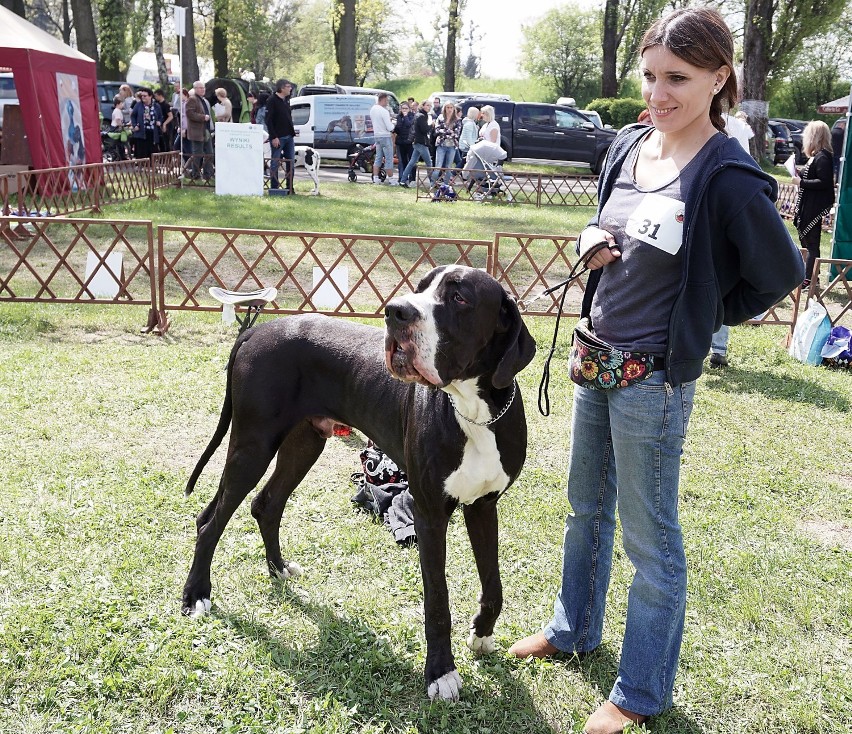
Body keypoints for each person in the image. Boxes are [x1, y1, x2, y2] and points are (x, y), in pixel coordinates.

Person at [508, 8, 804, 734]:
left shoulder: (730, 177)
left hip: (654, 384)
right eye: (651, 75)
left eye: (677, 78)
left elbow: (783, 271)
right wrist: (592, 240)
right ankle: (572, 628)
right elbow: (609, 222)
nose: (660, 92)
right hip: (595, 358)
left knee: (650, 539)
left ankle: (639, 691)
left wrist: (704, 314)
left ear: (718, 78)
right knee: (585, 509)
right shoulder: (630, 144)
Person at [792, 120, 835, 288]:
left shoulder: (823, 157)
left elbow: (824, 182)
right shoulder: (817, 156)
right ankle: (810, 277)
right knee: (807, 242)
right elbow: (811, 175)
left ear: (815, 136)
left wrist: (801, 182)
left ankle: (809, 280)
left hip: (814, 206)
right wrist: (798, 173)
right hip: (809, 204)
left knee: (812, 244)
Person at [266, 79, 296, 191]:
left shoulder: (286, 100)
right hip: (278, 137)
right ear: (282, 88)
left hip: (289, 136)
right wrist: (274, 136)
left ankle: (290, 187)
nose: (290, 88)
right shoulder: (272, 100)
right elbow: (268, 120)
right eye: (288, 86)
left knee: (291, 162)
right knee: (275, 162)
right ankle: (274, 187)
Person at [185, 80, 215, 181]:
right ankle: (195, 174)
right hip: (197, 132)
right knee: (197, 154)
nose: (203, 90)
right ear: (195, 89)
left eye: (203, 88)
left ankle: (208, 174)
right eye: (200, 88)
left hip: (206, 130)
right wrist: (203, 117)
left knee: (210, 153)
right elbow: (190, 114)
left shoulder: (204, 100)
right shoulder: (192, 99)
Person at [399, 101, 433, 187]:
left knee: (412, 162)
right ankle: (433, 182)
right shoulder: (421, 116)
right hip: (420, 142)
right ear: (423, 106)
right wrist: (431, 125)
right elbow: (424, 130)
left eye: (430, 106)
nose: (429, 107)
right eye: (427, 105)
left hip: (416, 141)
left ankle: (403, 181)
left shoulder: (419, 115)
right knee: (429, 162)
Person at [369, 92, 397, 185]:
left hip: (377, 135)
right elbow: (389, 127)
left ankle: (376, 178)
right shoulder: (384, 111)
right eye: (387, 100)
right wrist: (393, 125)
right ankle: (392, 179)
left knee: (378, 157)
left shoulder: (373, 109)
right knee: (389, 158)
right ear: (383, 99)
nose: (387, 102)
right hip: (385, 136)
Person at [129, 88, 163, 160]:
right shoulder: (138, 105)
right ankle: (142, 168)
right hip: (141, 132)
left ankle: (152, 168)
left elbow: (160, 117)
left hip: (152, 133)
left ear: (150, 96)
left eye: (145, 96)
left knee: (152, 152)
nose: (143, 97)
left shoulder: (156, 106)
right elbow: (133, 116)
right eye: (142, 96)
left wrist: (159, 122)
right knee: (142, 153)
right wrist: (135, 125)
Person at [433, 102, 462, 183]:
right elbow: (437, 130)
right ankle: (433, 184)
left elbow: (456, 134)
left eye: (451, 108)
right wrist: (449, 131)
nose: (449, 109)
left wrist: (445, 132)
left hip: (452, 145)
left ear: (454, 109)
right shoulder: (440, 117)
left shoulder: (457, 120)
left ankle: (446, 185)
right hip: (441, 144)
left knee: (448, 167)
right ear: (444, 108)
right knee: (438, 166)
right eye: (447, 107)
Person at [394, 101, 415, 182]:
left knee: (411, 160)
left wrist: (405, 116)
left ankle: (412, 178)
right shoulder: (399, 116)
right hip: (401, 141)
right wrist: (395, 127)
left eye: (406, 108)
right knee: (403, 161)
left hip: (409, 141)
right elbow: (398, 129)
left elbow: (409, 125)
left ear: (409, 109)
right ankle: (404, 178)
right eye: (403, 108)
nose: (404, 110)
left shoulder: (412, 116)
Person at [831, 117, 846, 181]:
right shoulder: (843, 133)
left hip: (832, 151)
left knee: (831, 167)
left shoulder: (831, 131)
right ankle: (837, 180)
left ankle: (830, 180)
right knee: (839, 167)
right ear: (842, 125)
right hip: (840, 152)